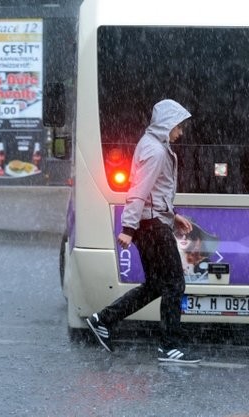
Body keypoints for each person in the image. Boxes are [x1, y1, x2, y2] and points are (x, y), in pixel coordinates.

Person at [86, 99, 200, 364]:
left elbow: (154, 196)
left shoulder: (154, 146)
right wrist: (128, 227)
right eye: (178, 127)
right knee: (174, 284)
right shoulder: (156, 152)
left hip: (152, 225)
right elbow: (138, 190)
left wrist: (173, 217)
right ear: (167, 124)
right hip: (151, 229)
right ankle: (169, 347)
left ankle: (103, 320)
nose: (180, 132)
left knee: (156, 285)